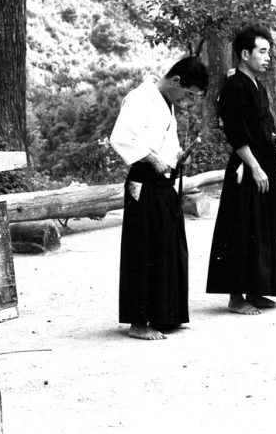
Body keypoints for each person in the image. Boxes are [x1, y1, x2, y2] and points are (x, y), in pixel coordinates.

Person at [109, 56, 209, 340]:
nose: (187, 101)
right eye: (188, 94)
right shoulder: (142, 97)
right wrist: (153, 160)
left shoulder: (165, 102)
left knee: (168, 245)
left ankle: (166, 314)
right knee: (144, 247)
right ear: (176, 81)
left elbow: (166, 142)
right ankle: (138, 322)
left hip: (165, 182)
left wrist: (174, 156)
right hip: (144, 179)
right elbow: (121, 138)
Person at [206, 25, 276, 314]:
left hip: (265, 163)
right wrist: (254, 166)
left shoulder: (258, 85)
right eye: (262, 51)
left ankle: (256, 291)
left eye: (269, 51)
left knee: (263, 227)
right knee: (242, 228)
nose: (268, 57)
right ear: (244, 54)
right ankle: (235, 297)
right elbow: (236, 132)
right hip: (247, 166)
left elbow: (261, 127)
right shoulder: (234, 86)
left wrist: (275, 143)